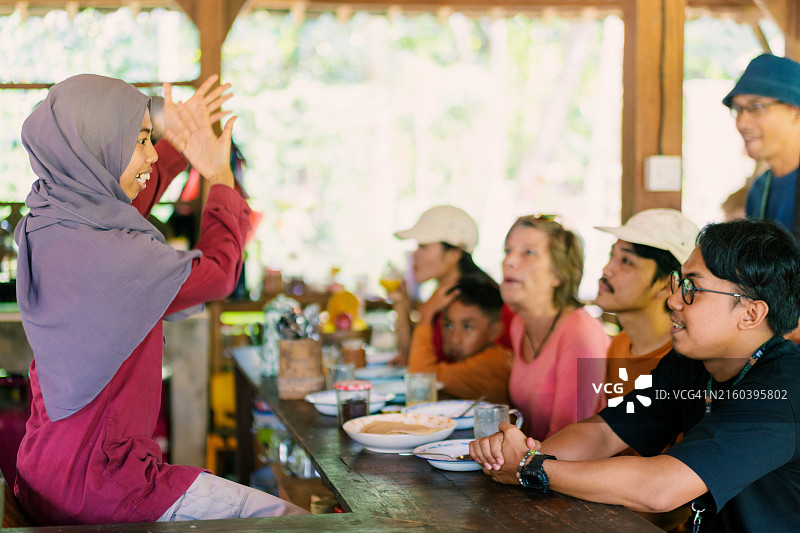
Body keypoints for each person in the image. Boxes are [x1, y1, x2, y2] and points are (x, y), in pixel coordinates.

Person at [13, 74, 306, 525]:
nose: (150, 154)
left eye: (150, 140)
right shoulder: (111, 255)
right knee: (293, 521)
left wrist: (175, 145)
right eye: (140, 141)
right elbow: (219, 273)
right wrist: (220, 177)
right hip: (104, 481)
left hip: (46, 471)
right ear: (98, 151)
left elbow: (115, 208)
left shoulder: (52, 222)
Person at [470, 218, 800, 532]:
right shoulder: (693, 362)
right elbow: (605, 430)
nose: (673, 300)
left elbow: (660, 487)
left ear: (751, 313)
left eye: (693, 288)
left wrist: (530, 467)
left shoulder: (782, 392)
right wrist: (521, 457)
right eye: (679, 282)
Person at [502, 215, 609, 441]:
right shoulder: (519, 323)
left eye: (528, 253)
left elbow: (570, 438)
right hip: (534, 462)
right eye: (508, 250)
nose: (509, 261)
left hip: (567, 468)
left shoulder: (581, 332)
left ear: (558, 273)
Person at [595, 208, 698, 396]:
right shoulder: (619, 345)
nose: (606, 270)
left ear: (668, 284)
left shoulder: (687, 363)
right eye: (612, 256)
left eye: (626, 261)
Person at [388, 205, 501, 365]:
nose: (414, 254)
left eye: (423, 246)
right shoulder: (442, 295)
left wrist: (426, 311)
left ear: (454, 253)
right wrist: (401, 305)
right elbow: (412, 354)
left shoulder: (474, 301)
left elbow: (419, 367)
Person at [723, 54, 800, 236]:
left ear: (796, 111)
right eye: (738, 109)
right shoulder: (759, 191)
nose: (742, 122)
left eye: (756, 107)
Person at [407, 276, 512, 404]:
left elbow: (420, 380)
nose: (455, 339)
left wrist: (427, 313)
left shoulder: (493, 364)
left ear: (494, 331)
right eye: (448, 325)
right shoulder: (477, 358)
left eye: (467, 327)